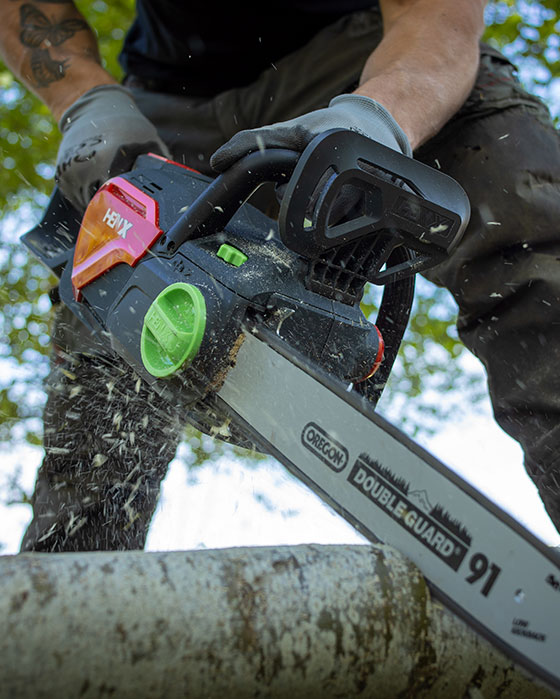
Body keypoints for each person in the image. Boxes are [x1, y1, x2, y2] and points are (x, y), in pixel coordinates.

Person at [1, 0, 559, 551]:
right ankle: (73, 581)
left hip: (375, 57)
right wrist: (83, 98)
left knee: (524, 217)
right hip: (167, 100)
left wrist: (381, 116)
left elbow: (437, 12)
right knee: (102, 350)